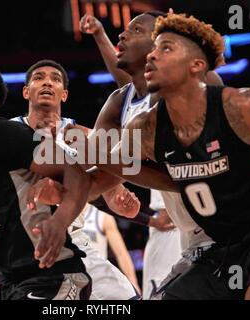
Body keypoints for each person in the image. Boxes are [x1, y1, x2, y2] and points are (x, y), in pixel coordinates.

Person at [118, 13, 250, 299]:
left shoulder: (246, 106)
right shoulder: (145, 127)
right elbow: (107, 166)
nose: (152, 56)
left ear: (197, 65)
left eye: (165, 48)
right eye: (153, 49)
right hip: (216, 245)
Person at [80, 11, 221, 298]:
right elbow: (97, 167)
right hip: (179, 225)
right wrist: (56, 186)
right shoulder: (124, 103)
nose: (123, 34)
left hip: (228, 222)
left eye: (136, 29)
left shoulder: (200, 84)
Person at [0, 59, 92, 300]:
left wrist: (59, 222)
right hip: (14, 279)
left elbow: (76, 172)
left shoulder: (0, 133)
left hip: (52, 274)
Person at [81, 203, 141, 293]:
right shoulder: (59, 212)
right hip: (69, 278)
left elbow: (121, 253)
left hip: (96, 281)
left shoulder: (101, 215)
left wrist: (133, 282)